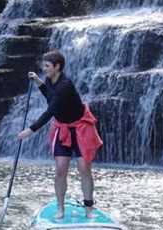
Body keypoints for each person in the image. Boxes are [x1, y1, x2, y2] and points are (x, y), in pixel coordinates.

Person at [17, 49, 102, 220]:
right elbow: (50, 96)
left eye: (47, 66)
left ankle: (89, 208)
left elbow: (52, 109)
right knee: (60, 171)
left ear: (57, 67)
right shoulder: (50, 80)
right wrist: (39, 82)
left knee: (84, 169)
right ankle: (60, 208)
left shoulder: (65, 85)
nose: (44, 68)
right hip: (62, 127)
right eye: (44, 65)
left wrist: (30, 130)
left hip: (80, 129)